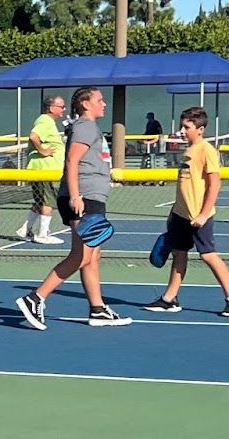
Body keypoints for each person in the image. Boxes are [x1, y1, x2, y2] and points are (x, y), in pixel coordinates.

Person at [14, 87, 132, 329]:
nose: (104, 104)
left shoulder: (87, 127)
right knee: (83, 255)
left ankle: (98, 309)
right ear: (86, 104)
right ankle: (35, 298)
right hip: (84, 198)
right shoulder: (86, 126)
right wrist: (76, 196)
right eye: (99, 100)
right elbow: (72, 161)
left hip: (91, 197)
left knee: (92, 256)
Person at [142, 106, 229, 316]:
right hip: (181, 215)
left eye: (186, 126)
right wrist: (174, 212)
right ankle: (169, 299)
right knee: (178, 253)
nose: (182, 130)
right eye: (182, 125)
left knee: (208, 255)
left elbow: (214, 185)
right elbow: (185, 186)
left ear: (200, 129)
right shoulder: (188, 150)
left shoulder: (206, 150)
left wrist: (202, 213)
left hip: (200, 216)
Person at [14, 94, 67, 245]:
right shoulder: (45, 121)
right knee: (48, 202)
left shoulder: (47, 122)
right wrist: (43, 151)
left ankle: (25, 229)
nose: (64, 109)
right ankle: (43, 235)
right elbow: (34, 136)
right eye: (61, 106)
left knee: (39, 201)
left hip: (43, 169)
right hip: (44, 170)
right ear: (51, 108)